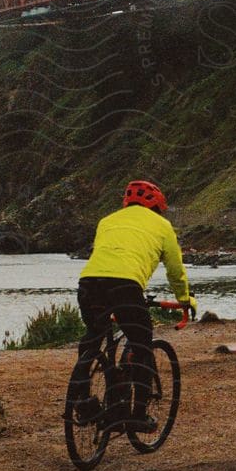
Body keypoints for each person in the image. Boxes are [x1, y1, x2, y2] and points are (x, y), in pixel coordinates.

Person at [75, 179, 195, 432]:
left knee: (93, 339)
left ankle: (83, 402)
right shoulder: (163, 226)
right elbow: (175, 271)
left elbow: (110, 256)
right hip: (126, 287)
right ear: (157, 207)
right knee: (141, 346)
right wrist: (184, 299)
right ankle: (137, 415)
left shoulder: (106, 221)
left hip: (88, 284)